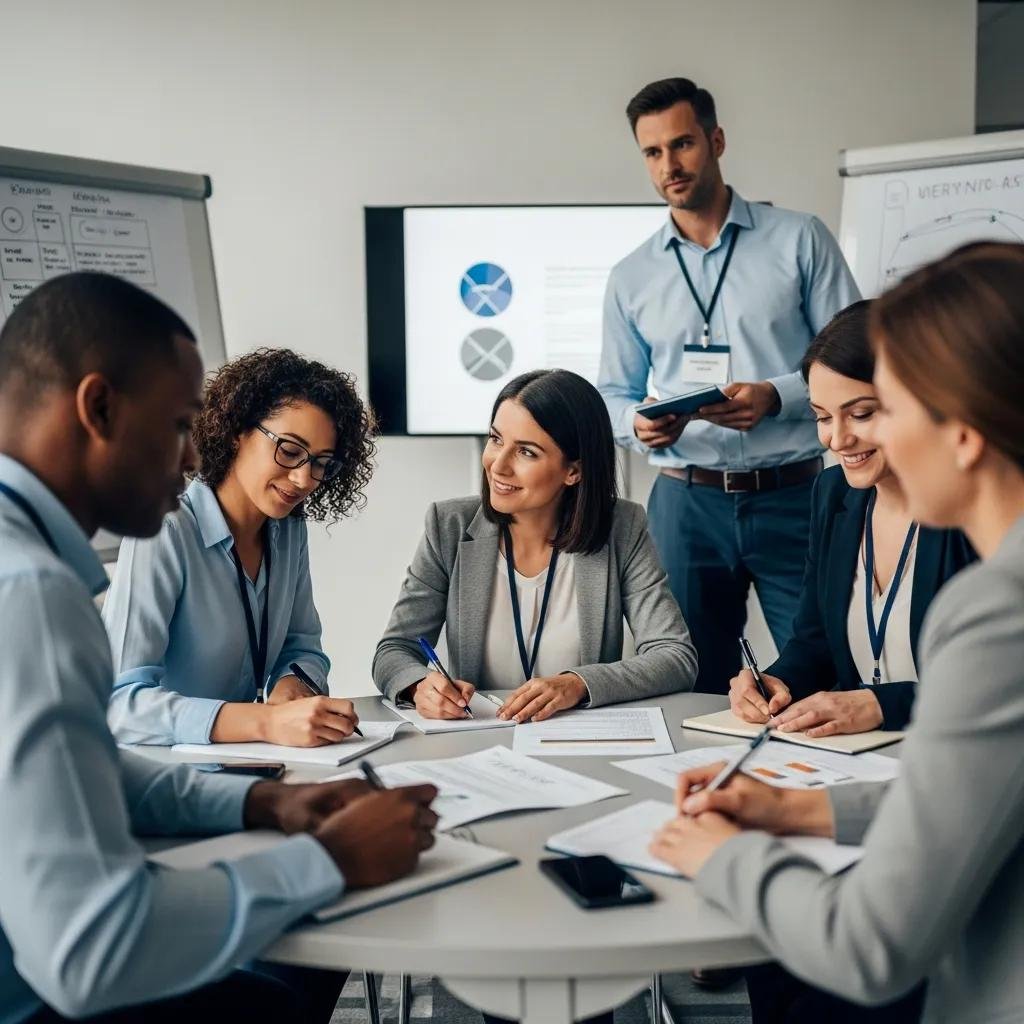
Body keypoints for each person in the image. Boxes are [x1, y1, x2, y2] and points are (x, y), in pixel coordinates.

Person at [0, 272, 437, 1024]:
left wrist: (268, 802)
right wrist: (327, 860)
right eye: (177, 428)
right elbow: (88, 952)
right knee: (287, 986)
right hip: (32, 994)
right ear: (99, 408)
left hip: (219, 800)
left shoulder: (27, 567)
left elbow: (89, 770)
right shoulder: (30, 593)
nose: (186, 460)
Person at [651, 242, 1024, 1023]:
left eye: (883, 408)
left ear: (960, 429)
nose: (851, 437)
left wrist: (727, 857)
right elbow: (981, 795)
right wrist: (792, 813)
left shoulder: (999, 612)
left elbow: (870, 947)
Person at [598, 76, 860, 696]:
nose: (670, 165)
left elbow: (859, 356)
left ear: (716, 140)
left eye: (683, 144)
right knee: (686, 677)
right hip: (686, 505)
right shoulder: (630, 275)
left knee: (825, 665)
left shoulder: (799, 239)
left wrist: (777, 397)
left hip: (796, 495)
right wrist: (638, 421)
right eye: (653, 153)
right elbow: (612, 391)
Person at [373, 368, 697, 722]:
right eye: (496, 439)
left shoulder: (622, 527)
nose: (498, 464)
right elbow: (395, 650)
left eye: (526, 452)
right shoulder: (449, 524)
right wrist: (420, 685)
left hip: (577, 744)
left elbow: (674, 656)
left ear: (574, 471)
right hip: (479, 740)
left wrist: (577, 684)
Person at [104, 347, 376, 747]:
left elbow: (301, 646)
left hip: (243, 762)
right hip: (162, 776)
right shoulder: (164, 527)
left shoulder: (288, 530)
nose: (303, 479)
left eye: (321, 462)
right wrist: (263, 722)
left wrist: (291, 685)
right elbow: (119, 704)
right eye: (289, 449)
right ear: (238, 431)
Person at [728, 300, 974, 736]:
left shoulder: (975, 508)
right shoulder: (833, 492)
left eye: (861, 414)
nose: (838, 439)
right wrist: (777, 681)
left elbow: (1000, 679)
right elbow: (814, 641)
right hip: (857, 759)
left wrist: (883, 705)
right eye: (822, 417)